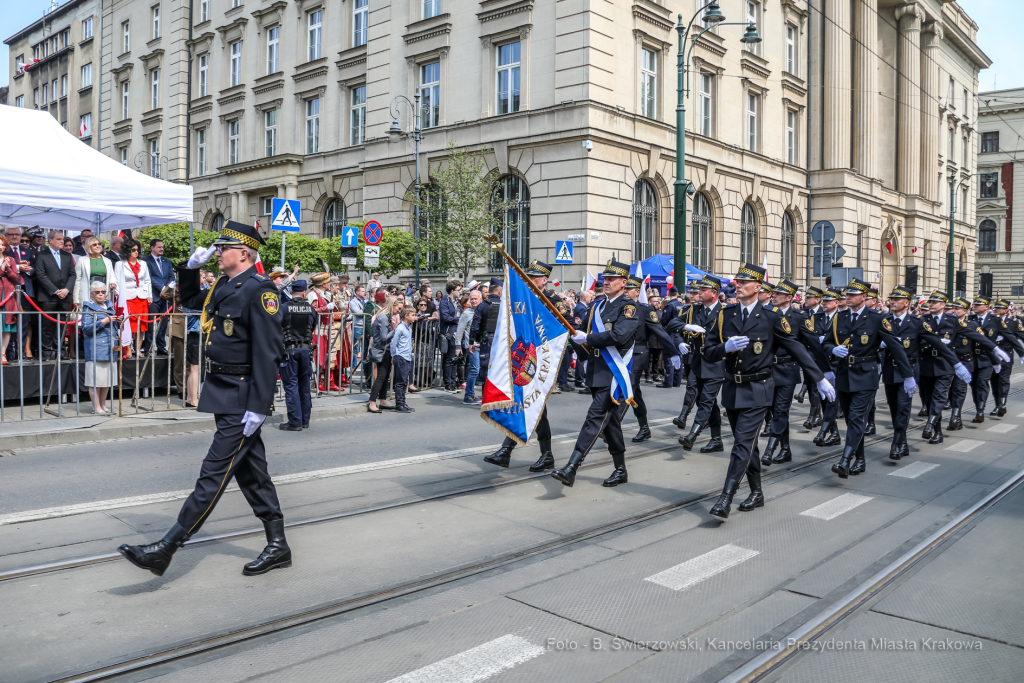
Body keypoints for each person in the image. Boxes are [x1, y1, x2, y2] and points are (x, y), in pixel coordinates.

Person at [117, 220, 289, 577]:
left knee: (213, 473)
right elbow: (193, 300)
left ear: (244, 253)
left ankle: (166, 548)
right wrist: (189, 269)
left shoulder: (260, 290)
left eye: (224, 247)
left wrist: (259, 406)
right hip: (222, 388)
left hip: (242, 395)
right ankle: (278, 546)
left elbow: (268, 351)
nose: (217, 252)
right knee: (252, 473)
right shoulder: (225, 284)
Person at [703, 263, 835, 518]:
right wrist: (725, 348)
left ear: (758, 287)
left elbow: (796, 347)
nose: (738, 286)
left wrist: (819, 377)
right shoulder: (725, 315)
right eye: (737, 282)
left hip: (758, 389)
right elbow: (708, 352)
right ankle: (757, 492)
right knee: (747, 445)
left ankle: (725, 497)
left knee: (742, 444)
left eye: (744, 282)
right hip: (732, 389)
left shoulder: (771, 317)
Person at [552, 260, 639, 487]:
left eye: (611, 279)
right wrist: (574, 338)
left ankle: (572, 467)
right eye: (605, 279)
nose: (606, 282)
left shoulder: (628, 307)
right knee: (610, 424)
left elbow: (619, 336)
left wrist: (588, 338)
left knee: (595, 417)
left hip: (613, 373)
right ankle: (621, 469)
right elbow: (585, 336)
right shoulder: (597, 306)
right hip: (596, 370)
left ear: (623, 282)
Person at [823, 279, 913, 477]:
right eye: (847, 294)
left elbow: (896, 347)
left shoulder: (877, 318)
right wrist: (833, 350)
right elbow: (826, 343)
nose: (848, 297)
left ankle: (845, 460)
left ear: (864, 297)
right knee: (851, 420)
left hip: (865, 375)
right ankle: (860, 459)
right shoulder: (839, 318)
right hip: (844, 374)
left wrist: (908, 375)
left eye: (853, 295)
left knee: (857, 418)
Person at [484, 262, 562, 471]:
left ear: (544, 280)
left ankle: (513, 451)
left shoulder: (552, 300)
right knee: (529, 405)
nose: (528, 279)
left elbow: (564, 327)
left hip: (543, 361)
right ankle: (531, 453)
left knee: (535, 406)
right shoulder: (524, 298)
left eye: (533, 276)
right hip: (523, 359)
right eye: (528, 275)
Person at [760, 279, 829, 466]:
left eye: (778, 294)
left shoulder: (799, 317)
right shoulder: (766, 314)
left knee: (781, 410)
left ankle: (770, 449)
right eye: (774, 293)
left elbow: (814, 346)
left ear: (789, 298)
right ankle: (785, 449)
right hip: (768, 370)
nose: (774, 296)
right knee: (774, 411)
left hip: (787, 370)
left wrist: (824, 372)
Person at [617, 274, 680, 457]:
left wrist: (673, 352)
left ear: (637, 292)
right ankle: (644, 427)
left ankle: (610, 426)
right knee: (635, 393)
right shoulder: (618, 307)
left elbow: (660, 331)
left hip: (638, 354)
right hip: (620, 356)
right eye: (624, 289)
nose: (625, 292)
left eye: (629, 289)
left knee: (626, 390)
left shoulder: (645, 310)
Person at [672, 274, 726, 453]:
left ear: (714, 293)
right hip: (697, 362)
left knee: (706, 401)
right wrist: (686, 327)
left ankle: (692, 435)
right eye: (699, 290)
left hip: (716, 363)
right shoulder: (694, 310)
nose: (698, 293)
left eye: (703, 290)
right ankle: (716, 439)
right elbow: (671, 323)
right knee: (708, 403)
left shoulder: (725, 312)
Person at [946, 297, 1003, 432]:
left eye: (957, 309)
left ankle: (976, 411)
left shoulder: (971, 325)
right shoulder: (947, 323)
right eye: (953, 308)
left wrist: (995, 360)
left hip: (971, 361)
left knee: (975, 385)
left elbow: (983, 342)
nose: (954, 311)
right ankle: (957, 418)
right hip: (951, 362)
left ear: (965, 311)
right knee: (954, 390)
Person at [33, 229, 77, 361]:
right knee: (47, 325)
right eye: (59, 239)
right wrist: (55, 290)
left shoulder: (67, 255)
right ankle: (46, 352)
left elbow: (72, 274)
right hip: (48, 296)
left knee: (62, 324)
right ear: (50, 240)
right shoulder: (41, 255)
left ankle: (59, 351)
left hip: (65, 296)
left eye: (62, 239)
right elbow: (41, 275)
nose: (62, 241)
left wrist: (66, 289)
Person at [80, 282, 121, 414]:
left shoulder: (110, 305)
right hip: (96, 347)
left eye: (103, 292)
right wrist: (103, 322)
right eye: (97, 292)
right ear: (92, 294)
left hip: (110, 347)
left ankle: (103, 405)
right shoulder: (88, 307)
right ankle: (96, 407)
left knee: (106, 381)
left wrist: (118, 321)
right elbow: (86, 328)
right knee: (95, 381)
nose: (100, 294)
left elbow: (115, 327)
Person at [280, 281, 315, 431]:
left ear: (291, 292)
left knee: (291, 386)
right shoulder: (311, 309)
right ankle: (305, 420)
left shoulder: (284, 308)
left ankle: (295, 422)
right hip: (306, 351)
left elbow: (278, 327)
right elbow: (313, 326)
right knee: (304, 386)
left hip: (289, 351)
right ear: (304, 293)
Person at [113, 238, 152, 356]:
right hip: (127, 298)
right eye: (133, 250)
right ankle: (129, 349)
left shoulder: (143, 263)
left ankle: (138, 349)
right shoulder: (120, 264)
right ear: (127, 250)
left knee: (141, 324)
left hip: (142, 298)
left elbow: (147, 281)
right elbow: (117, 282)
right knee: (128, 324)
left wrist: (149, 295)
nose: (136, 252)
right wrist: (120, 297)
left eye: (137, 250)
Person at [368, 293, 398, 413]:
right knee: (381, 377)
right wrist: (395, 330)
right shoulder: (384, 318)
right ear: (392, 305)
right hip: (382, 349)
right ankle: (372, 403)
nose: (399, 311)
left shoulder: (385, 317)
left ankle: (382, 400)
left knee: (385, 377)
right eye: (398, 308)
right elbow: (384, 337)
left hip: (386, 349)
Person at [307, 272, 337, 391]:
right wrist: (326, 308)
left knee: (326, 357)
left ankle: (327, 382)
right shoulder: (313, 294)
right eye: (328, 282)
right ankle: (317, 381)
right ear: (323, 284)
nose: (330, 284)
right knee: (318, 357)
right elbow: (311, 310)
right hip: (317, 330)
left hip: (325, 330)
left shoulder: (323, 294)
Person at [73, 236, 116, 309]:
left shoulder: (107, 261)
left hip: (103, 292)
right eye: (94, 245)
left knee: (102, 313)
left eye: (99, 244)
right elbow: (77, 280)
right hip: (87, 291)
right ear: (89, 246)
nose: (98, 246)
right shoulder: (81, 260)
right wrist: (76, 299)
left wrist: (113, 282)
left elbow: (112, 275)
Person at [457, 290, 482, 404]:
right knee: (474, 370)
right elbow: (459, 331)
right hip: (472, 347)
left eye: (475, 298)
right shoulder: (466, 314)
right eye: (471, 299)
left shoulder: (482, 311)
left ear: (480, 299)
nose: (473, 301)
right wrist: (458, 346)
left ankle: (472, 393)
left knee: (479, 371)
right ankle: (468, 396)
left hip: (483, 345)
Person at [391, 305, 416, 413]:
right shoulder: (400, 328)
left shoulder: (409, 328)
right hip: (400, 356)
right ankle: (399, 404)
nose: (414, 317)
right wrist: (394, 355)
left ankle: (402, 402)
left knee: (405, 381)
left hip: (407, 356)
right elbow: (394, 343)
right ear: (406, 316)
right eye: (412, 315)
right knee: (400, 382)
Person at [439, 280, 463, 391]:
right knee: (449, 359)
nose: (460, 292)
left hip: (456, 333)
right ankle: (448, 384)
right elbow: (445, 317)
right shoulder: (445, 301)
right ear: (452, 291)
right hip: (448, 333)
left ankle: (453, 382)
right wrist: (458, 319)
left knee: (455, 358)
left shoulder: (457, 302)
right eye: (459, 290)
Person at [0, 234, 20, 364]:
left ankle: (3, 354)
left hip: (7, 296)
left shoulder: (10, 259)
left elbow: (15, 278)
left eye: (3, 244)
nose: (1, 247)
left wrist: (6, 268)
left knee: (6, 326)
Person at [349, 283, 367, 370]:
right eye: (362, 291)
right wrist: (364, 312)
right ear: (357, 292)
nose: (364, 292)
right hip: (358, 326)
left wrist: (362, 311)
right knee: (356, 347)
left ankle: (365, 367)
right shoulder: (353, 302)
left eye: (364, 291)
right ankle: (354, 367)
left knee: (365, 347)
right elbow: (358, 313)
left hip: (366, 325)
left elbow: (370, 312)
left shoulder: (366, 301)